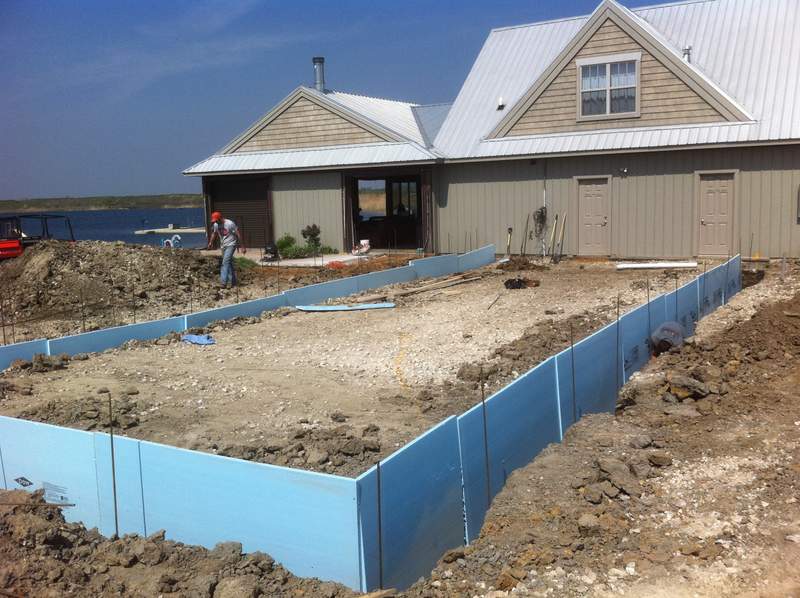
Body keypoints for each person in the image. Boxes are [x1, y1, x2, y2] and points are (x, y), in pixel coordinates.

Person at [206, 211, 246, 288]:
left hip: (231, 244)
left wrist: (242, 246)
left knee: (225, 262)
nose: (216, 222)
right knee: (229, 263)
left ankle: (223, 282)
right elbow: (214, 233)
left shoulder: (230, 223)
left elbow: (238, 234)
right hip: (223, 246)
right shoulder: (216, 225)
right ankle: (233, 282)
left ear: (220, 218)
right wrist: (210, 243)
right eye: (214, 221)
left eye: (216, 220)